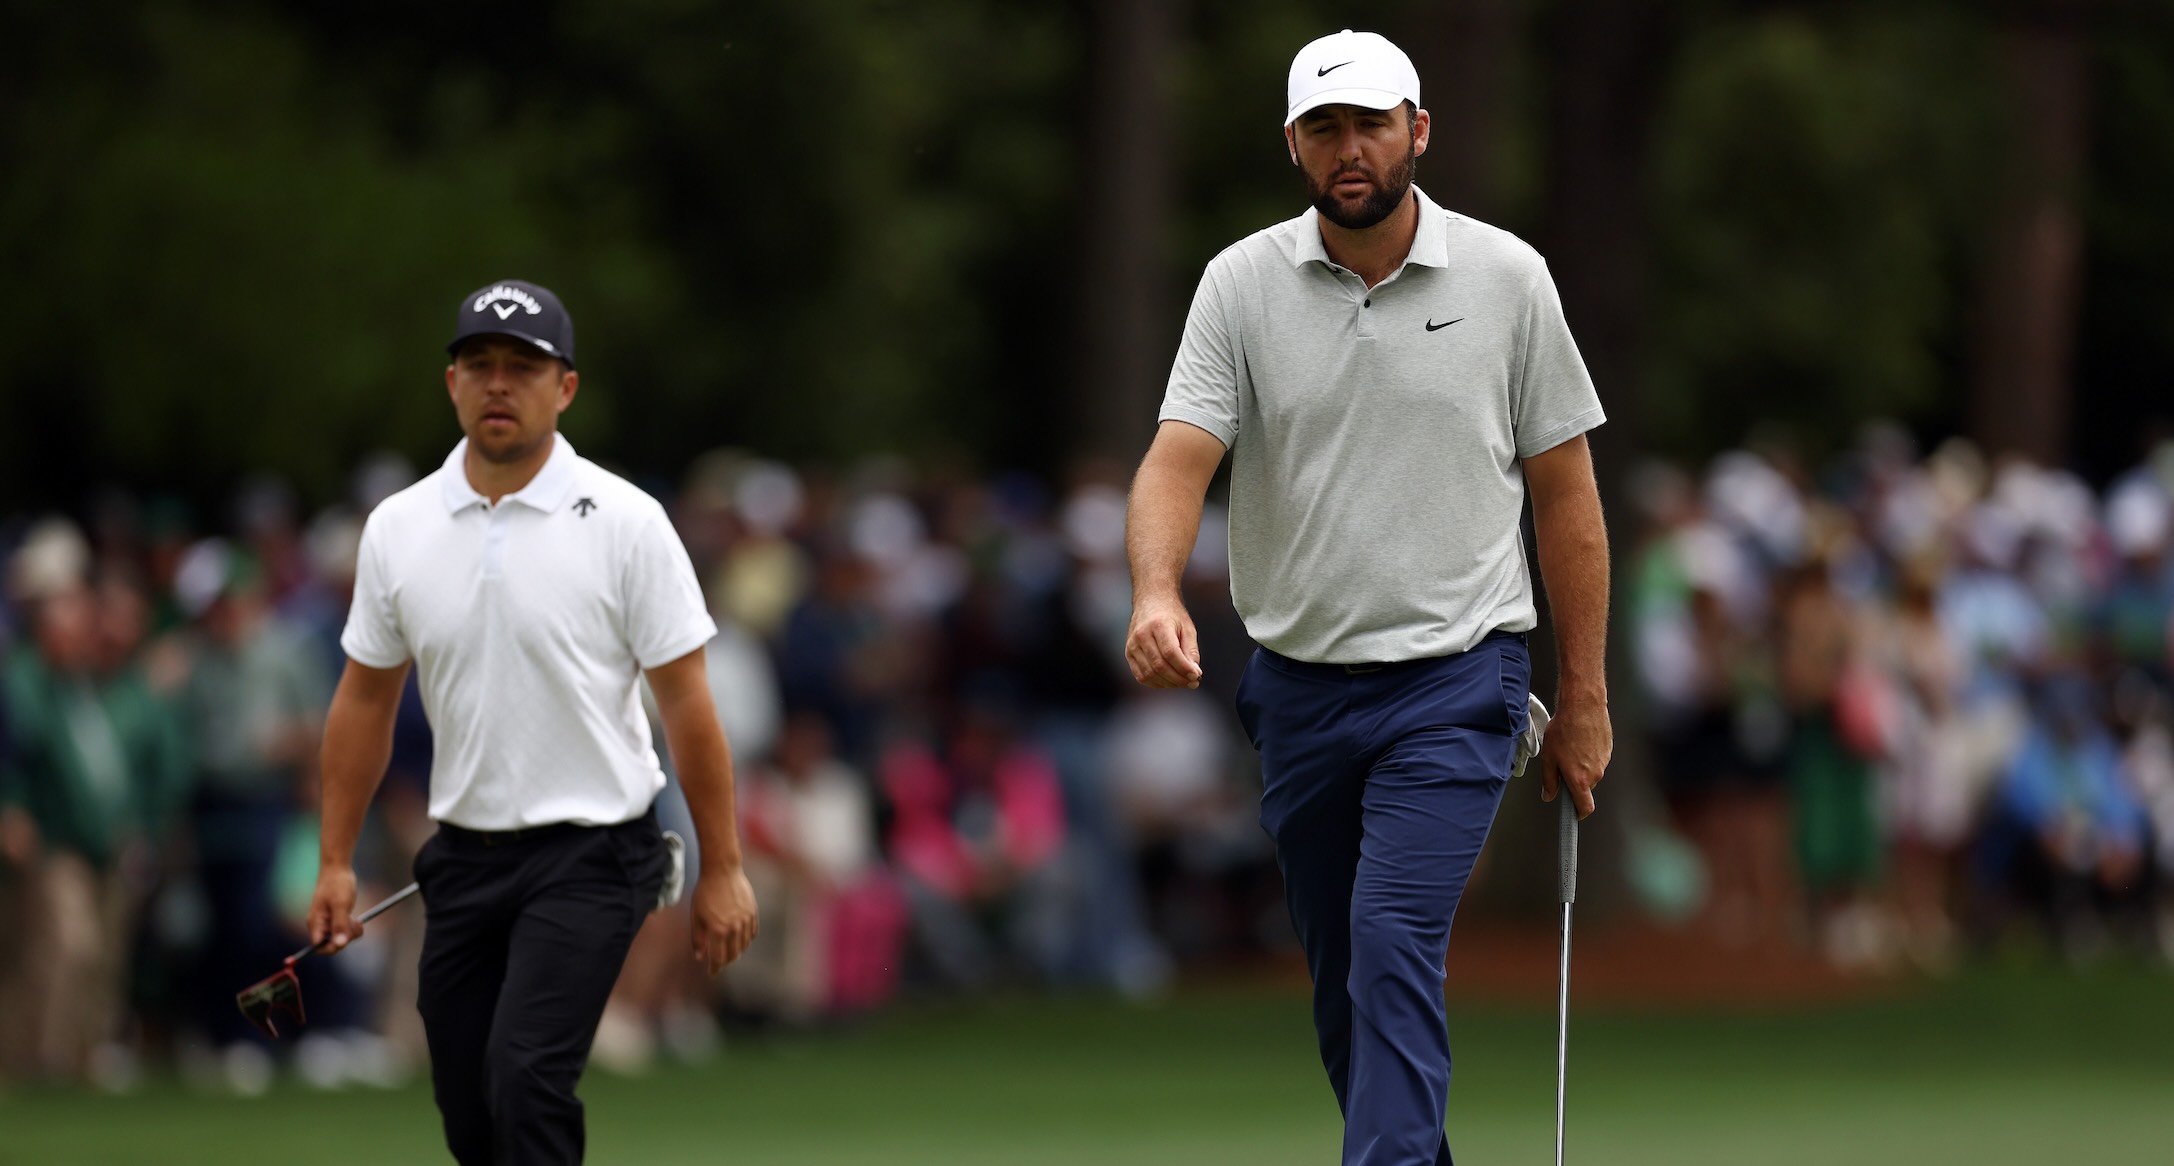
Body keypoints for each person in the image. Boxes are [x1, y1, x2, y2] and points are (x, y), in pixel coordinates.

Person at [1122, 31, 1612, 1166]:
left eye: (1371, 124)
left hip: (1454, 677)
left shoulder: (1506, 278)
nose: (1351, 150)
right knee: (1346, 983)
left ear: (1416, 131)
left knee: (1389, 936)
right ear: (1292, 144)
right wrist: (1155, 589)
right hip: (1296, 688)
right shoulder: (1239, 284)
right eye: (1326, 129)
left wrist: (1580, 692)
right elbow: (1176, 458)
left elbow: (1567, 499)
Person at [306, 279, 758, 1165]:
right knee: (470, 1106)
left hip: (594, 854)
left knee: (525, 1077)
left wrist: (724, 867)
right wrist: (333, 859)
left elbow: (688, 705)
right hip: (463, 857)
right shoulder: (399, 527)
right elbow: (365, 699)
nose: (499, 384)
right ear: (452, 384)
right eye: (480, 366)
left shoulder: (628, 521)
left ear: (566, 388)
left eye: (523, 367)